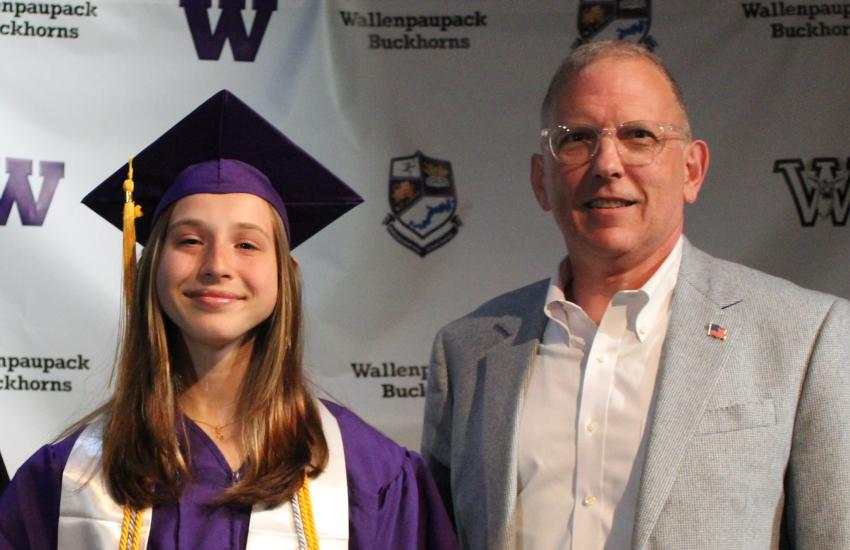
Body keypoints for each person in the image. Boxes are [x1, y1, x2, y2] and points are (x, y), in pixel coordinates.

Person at [421, 41, 850, 550]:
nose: (608, 163)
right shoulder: (467, 352)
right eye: (577, 138)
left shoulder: (806, 336)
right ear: (542, 180)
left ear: (691, 170)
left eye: (639, 136)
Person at [0, 90, 458, 550]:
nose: (217, 265)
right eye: (190, 240)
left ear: (285, 276)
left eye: (247, 245)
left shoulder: (372, 476)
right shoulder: (63, 480)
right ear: (150, 269)